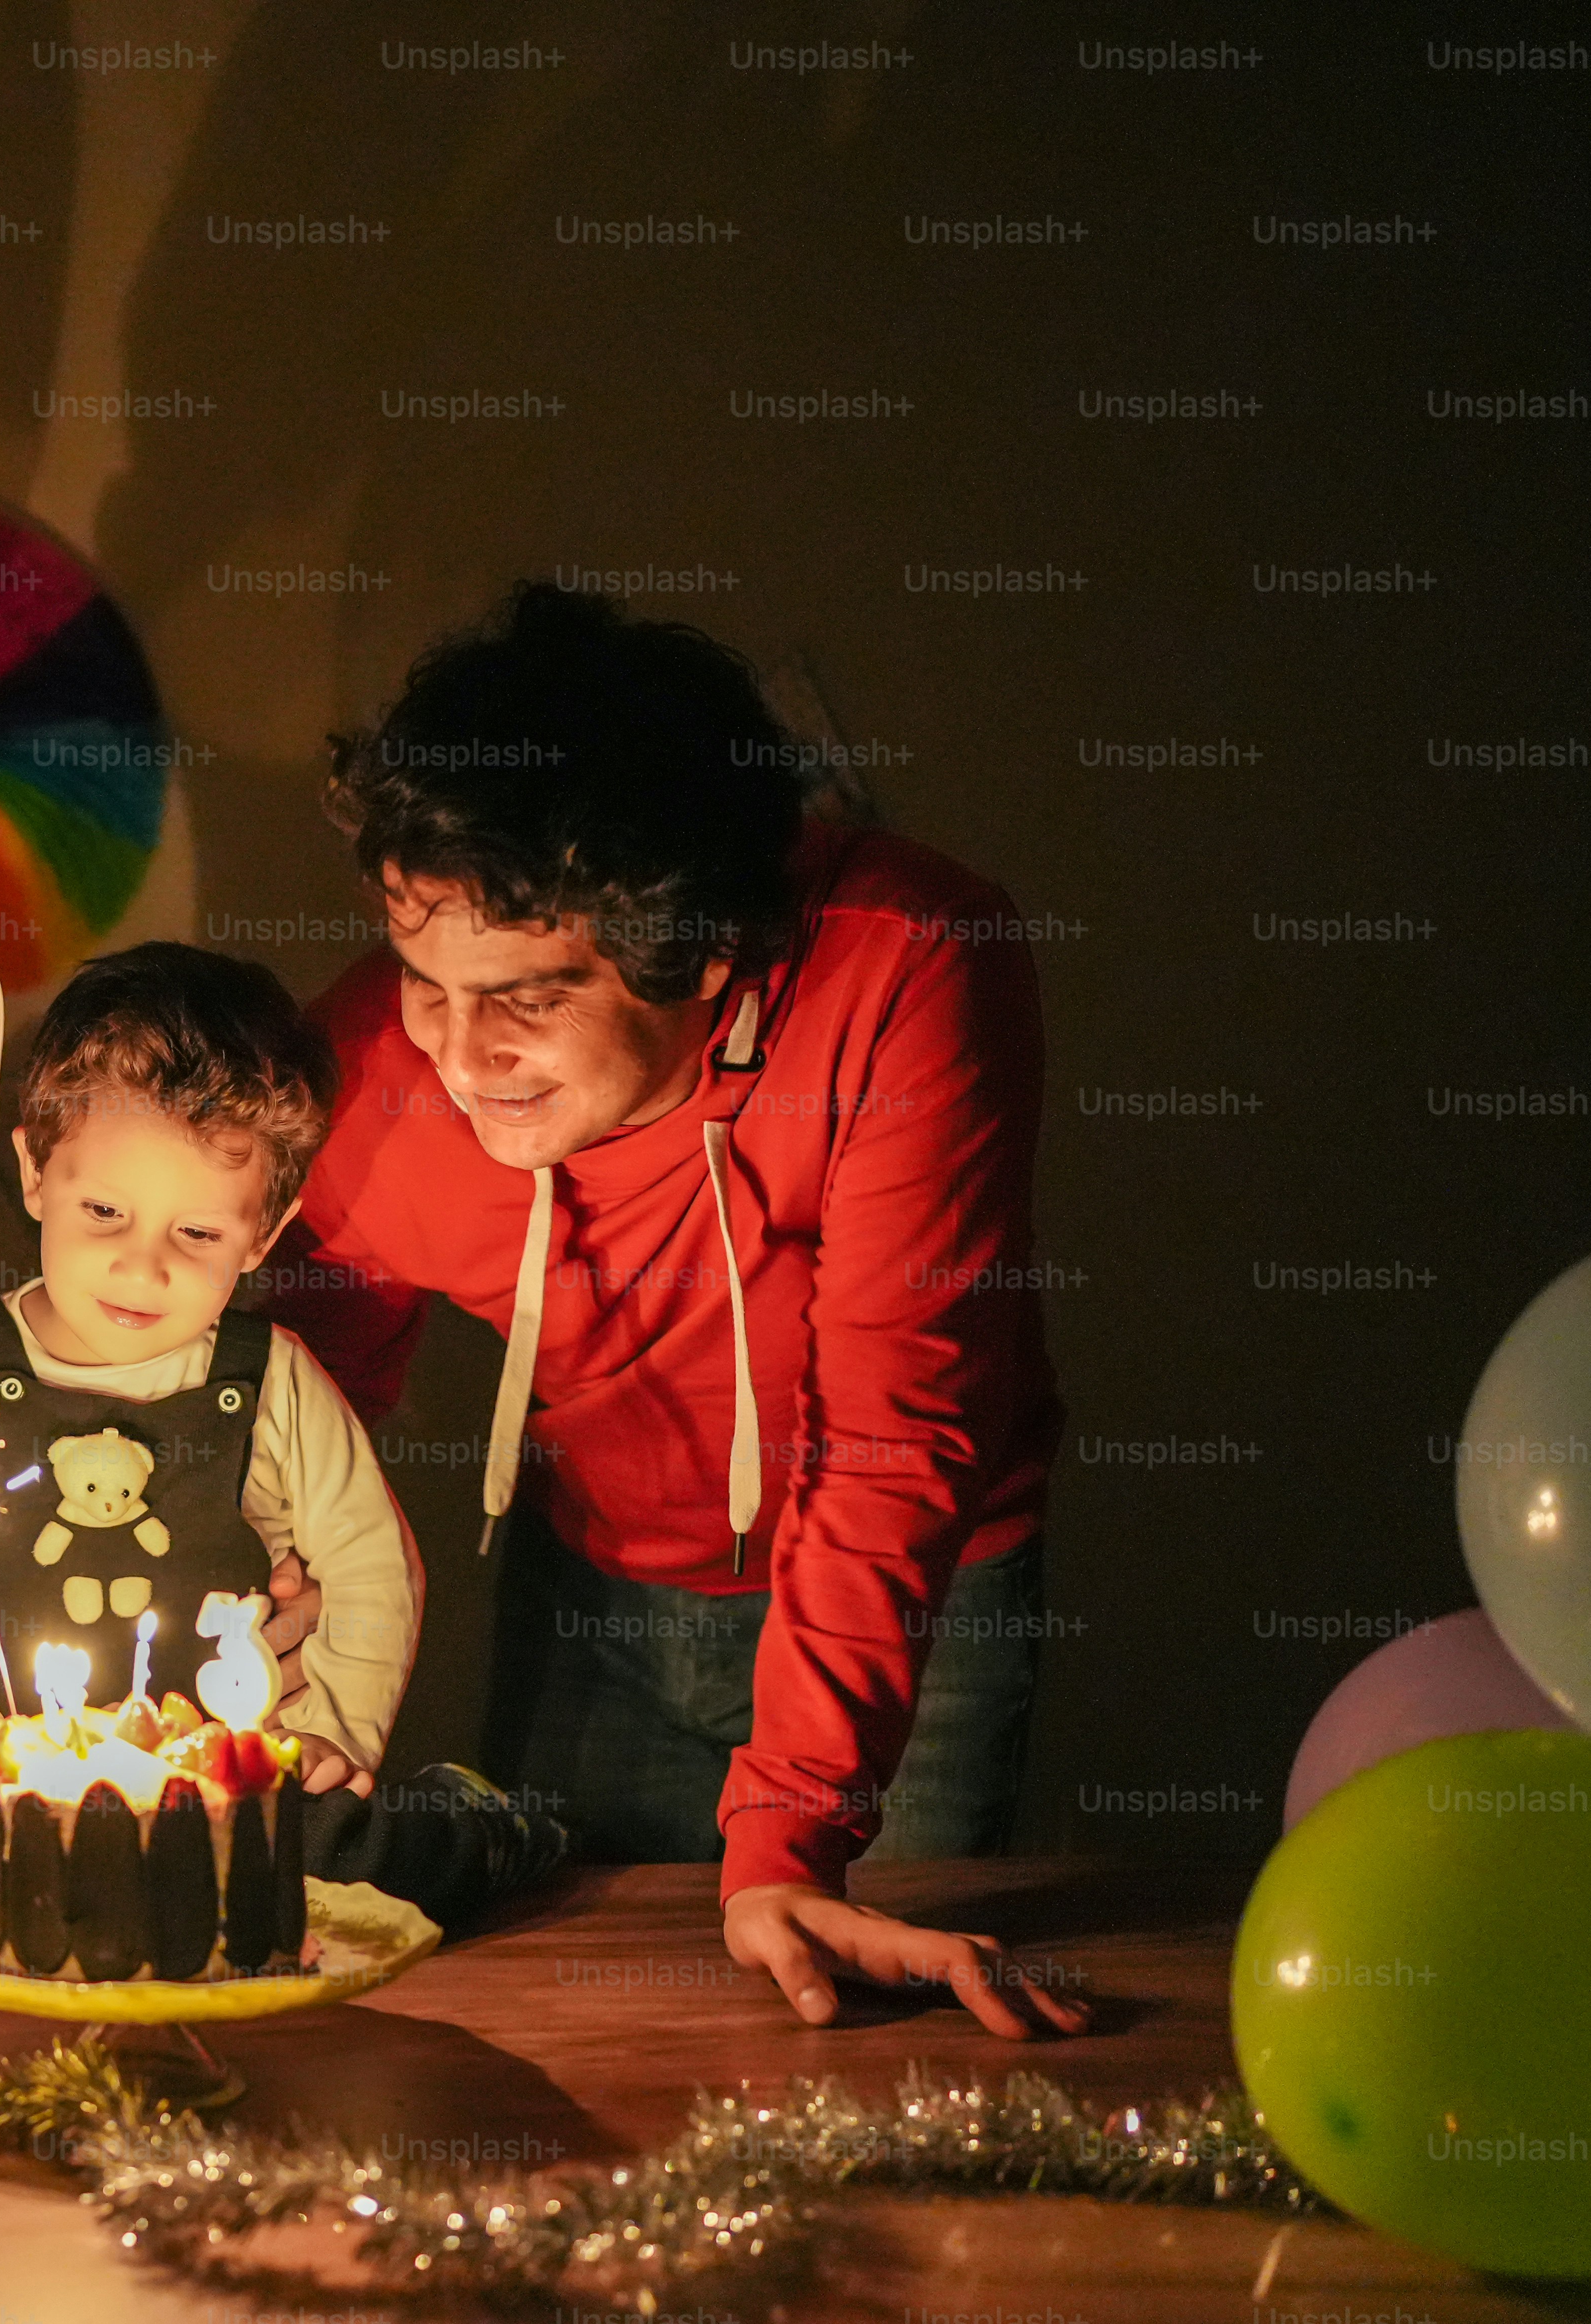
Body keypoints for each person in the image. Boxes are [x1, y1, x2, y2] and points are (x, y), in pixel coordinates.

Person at [262, 582, 1088, 2038]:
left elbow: (900, 1426)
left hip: (920, 1592)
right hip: (595, 1592)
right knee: (589, 2026)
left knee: (852, 2038)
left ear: (705, 951)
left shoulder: (905, 960)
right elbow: (286, 1409)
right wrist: (263, 1561)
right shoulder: (370, 1072)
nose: (459, 1052)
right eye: (420, 977)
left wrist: (790, 1828)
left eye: (527, 994)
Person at [0, 941, 557, 1920]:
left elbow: (373, 1565)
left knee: (337, 1860)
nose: (141, 1267)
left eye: (197, 1234)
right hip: (15, 1779)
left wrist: (334, 1727)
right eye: (106, 1211)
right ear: (35, 1169)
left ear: (263, 1228)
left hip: (222, 1786)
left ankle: (481, 1831)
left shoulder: (276, 1383)